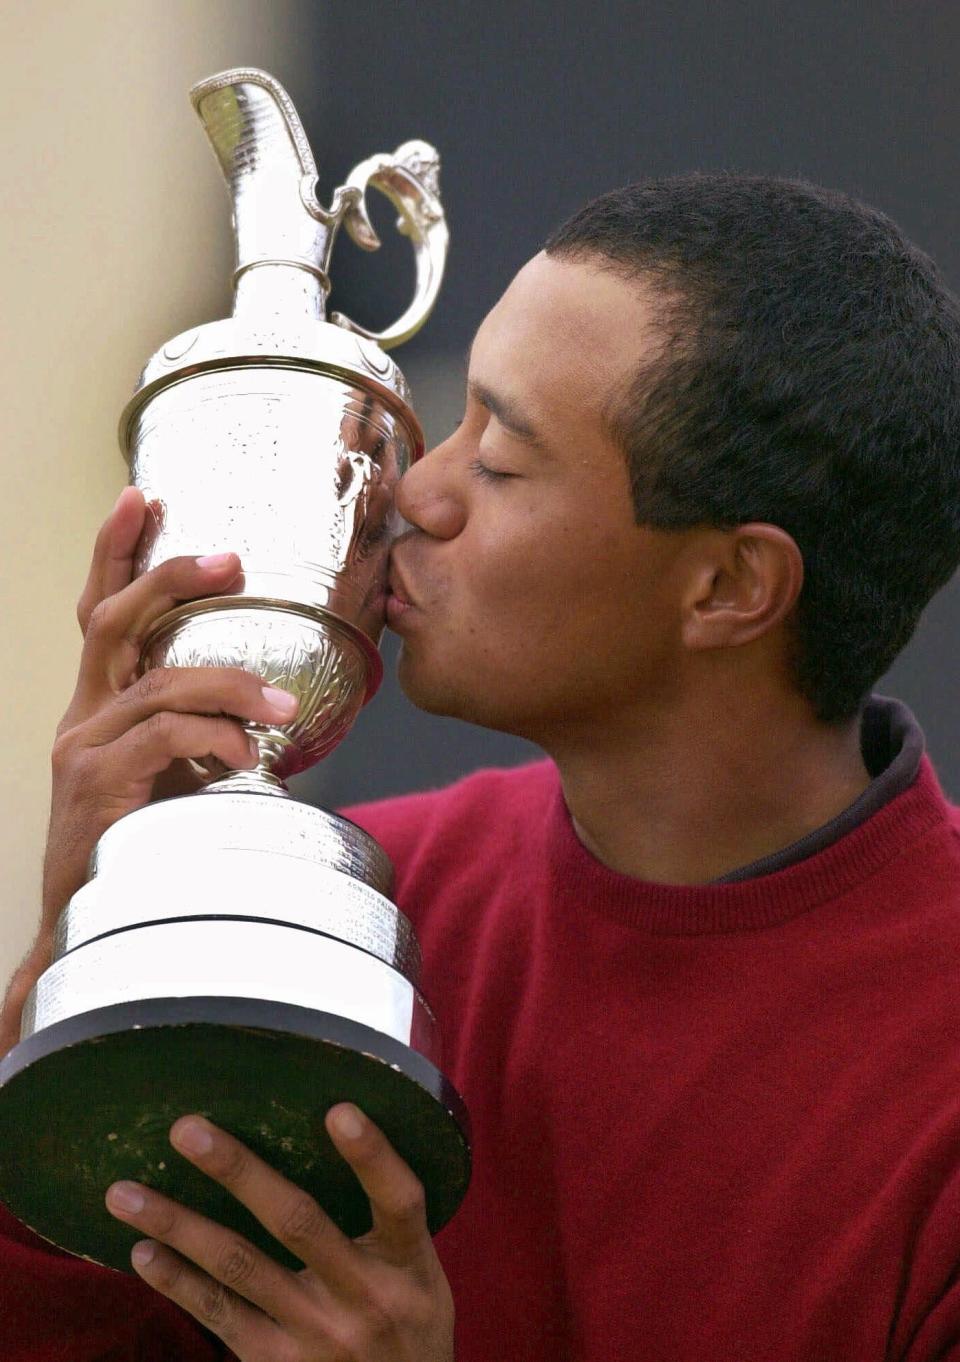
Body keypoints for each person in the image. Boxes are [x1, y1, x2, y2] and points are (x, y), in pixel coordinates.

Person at [3, 171, 960, 1361]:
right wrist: (93, 944)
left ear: (728, 587)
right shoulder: (386, 899)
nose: (414, 489)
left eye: (500, 464)